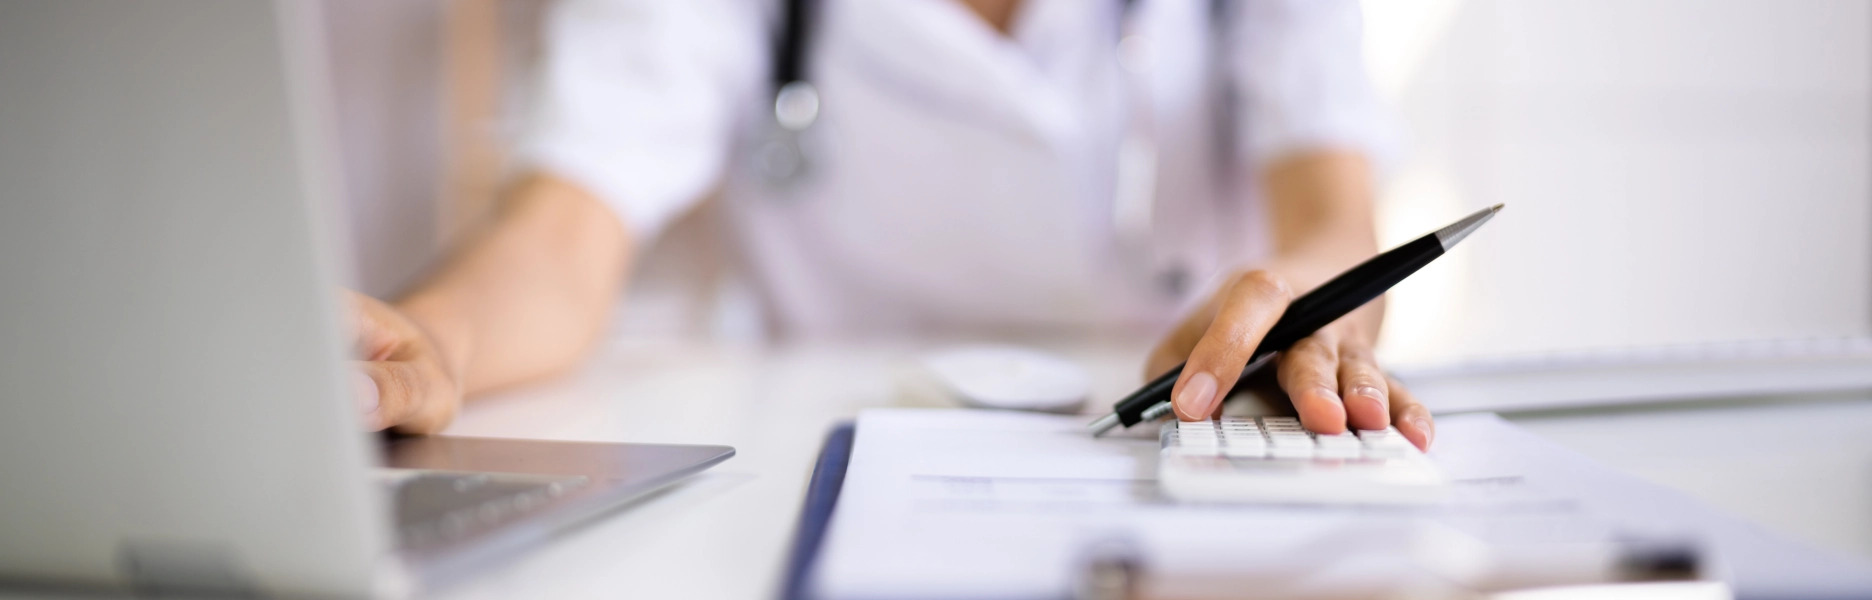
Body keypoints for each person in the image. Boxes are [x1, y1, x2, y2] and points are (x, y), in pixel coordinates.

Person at [349, 0, 1435, 452]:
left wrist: (1304, 302)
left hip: (1176, 435)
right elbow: (562, 236)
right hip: (838, 449)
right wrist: (434, 339)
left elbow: (1335, 215)